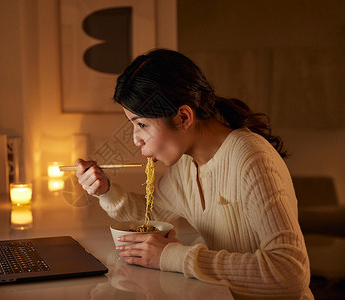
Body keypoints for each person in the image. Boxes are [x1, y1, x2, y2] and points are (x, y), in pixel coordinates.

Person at [76, 49, 312, 299]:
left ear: (184, 116)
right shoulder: (186, 167)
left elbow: (290, 273)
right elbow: (150, 216)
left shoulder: (251, 158)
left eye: (142, 124)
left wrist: (172, 256)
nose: (136, 139)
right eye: (133, 125)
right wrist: (105, 191)